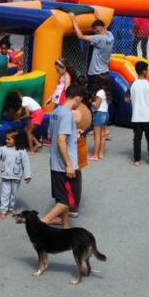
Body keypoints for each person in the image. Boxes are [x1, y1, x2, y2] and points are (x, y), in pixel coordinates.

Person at [43, 84, 84, 228]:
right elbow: (61, 140)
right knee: (67, 201)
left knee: (62, 198)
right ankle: (43, 222)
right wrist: (69, 164)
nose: (79, 105)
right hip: (65, 165)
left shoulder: (56, 111)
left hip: (55, 163)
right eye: (80, 102)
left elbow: (50, 135)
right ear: (77, 98)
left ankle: (66, 227)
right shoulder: (67, 114)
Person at [0, 129, 32, 218]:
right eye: (6, 139)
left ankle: (11, 207)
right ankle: (4, 210)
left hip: (17, 176)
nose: (6, 140)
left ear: (16, 140)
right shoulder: (2, 149)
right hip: (6, 175)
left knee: (14, 193)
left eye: (9, 139)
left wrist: (27, 175)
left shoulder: (21, 151)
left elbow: (26, 163)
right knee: (5, 193)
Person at [130, 61, 149, 167]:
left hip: (136, 116)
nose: (148, 71)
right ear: (144, 71)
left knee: (137, 138)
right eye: (148, 70)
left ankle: (137, 160)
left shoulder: (132, 84)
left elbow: (127, 98)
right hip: (148, 116)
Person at [90, 75, 111, 162]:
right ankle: (101, 153)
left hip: (99, 114)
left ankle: (95, 155)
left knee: (97, 136)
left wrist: (91, 101)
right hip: (106, 114)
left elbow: (97, 105)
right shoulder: (107, 92)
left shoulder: (99, 93)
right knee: (103, 136)